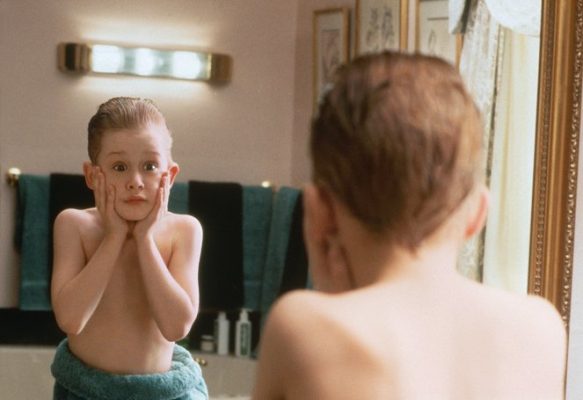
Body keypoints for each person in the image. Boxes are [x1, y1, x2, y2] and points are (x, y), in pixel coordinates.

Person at [252, 52, 566, 399]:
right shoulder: (540, 329)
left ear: (319, 210)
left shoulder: (299, 326)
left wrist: (332, 300)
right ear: (477, 214)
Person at [50, 97, 208, 399]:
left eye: (150, 166)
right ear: (92, 175)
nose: (135, 181)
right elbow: (70, 319)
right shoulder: (74, 225)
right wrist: (114, 237)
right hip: (88, 392)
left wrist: (144, 239)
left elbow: (177, 327)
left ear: (171, 175)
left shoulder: (184, 230)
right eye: (119, 167)